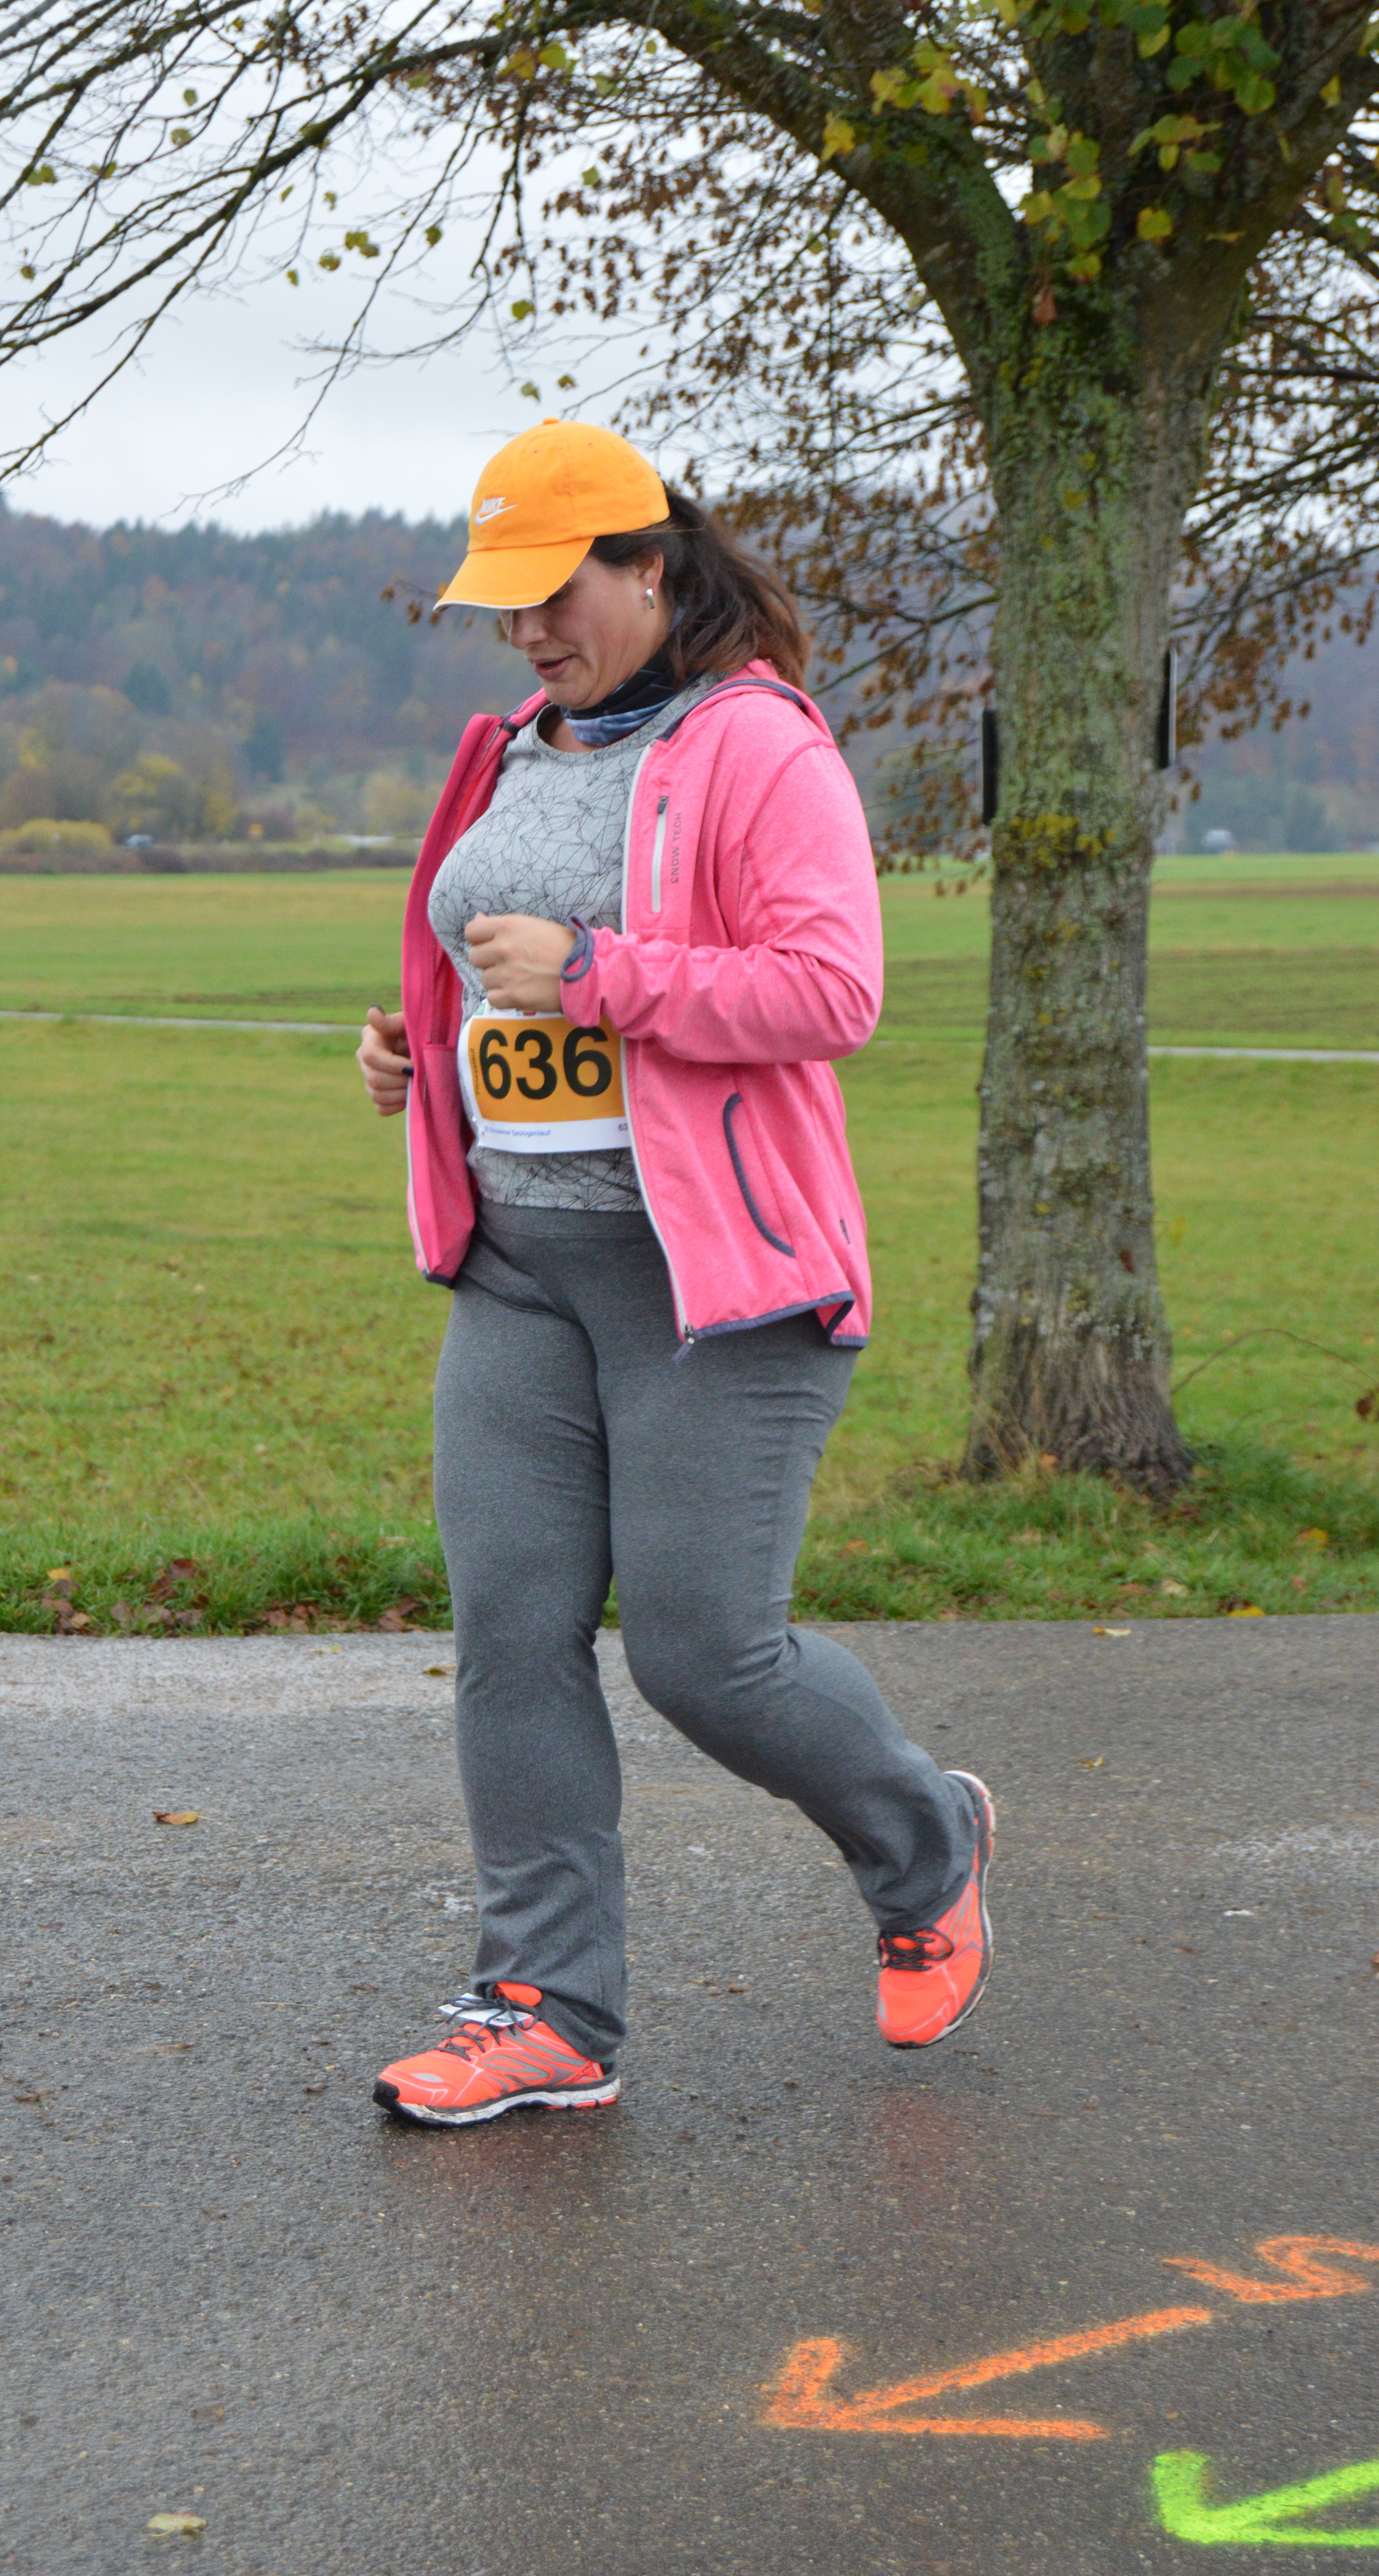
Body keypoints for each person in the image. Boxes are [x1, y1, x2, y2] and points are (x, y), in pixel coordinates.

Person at [355, 416, 994, 2126]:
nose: (529, 633)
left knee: (705, 1657)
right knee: (512, 1634)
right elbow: (479, 975)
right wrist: (420, 1049)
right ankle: (544, 2009)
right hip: (521, 1268)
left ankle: (928, 1842)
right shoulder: (509, 751)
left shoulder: (758, 745)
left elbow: (831, 992)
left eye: (556, 594)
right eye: (505, 606)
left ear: (649, 565)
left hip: (716, 1280)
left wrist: (602, 974)